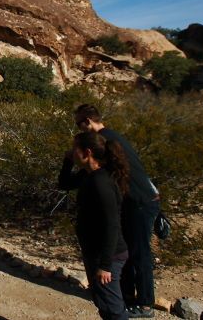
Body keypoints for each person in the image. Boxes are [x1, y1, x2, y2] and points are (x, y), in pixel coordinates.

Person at [74, 104, 160, 318]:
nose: (80, 129)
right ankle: (126, 296)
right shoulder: (109, 137)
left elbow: (128, 172)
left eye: (79, 124)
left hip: (140, 202)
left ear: (87, 121)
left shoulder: (105, 140)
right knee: (129, 250)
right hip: (138, 200)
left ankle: (146, 303)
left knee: (140, 253)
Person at [59, 131, 131, 320]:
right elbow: (64, 183)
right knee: (104, 303)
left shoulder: (101, 182)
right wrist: (67, 161)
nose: (71, 152)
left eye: (75, 149)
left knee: (112, 308)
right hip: (96, 252)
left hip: (107, 256)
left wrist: (105, 265)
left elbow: (112, 225)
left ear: (87, 152)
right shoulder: (89, 174)